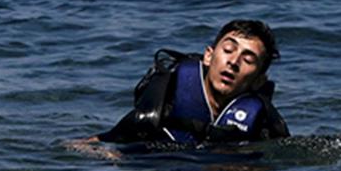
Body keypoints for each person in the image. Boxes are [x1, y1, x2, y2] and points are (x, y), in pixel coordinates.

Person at [70, 20, 290, 155]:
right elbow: (106, 140)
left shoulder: (263, 121)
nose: (233, 62)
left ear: (260, 80)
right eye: (228, 50)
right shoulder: (168, 97)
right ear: (209, 56)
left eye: (248, 59)